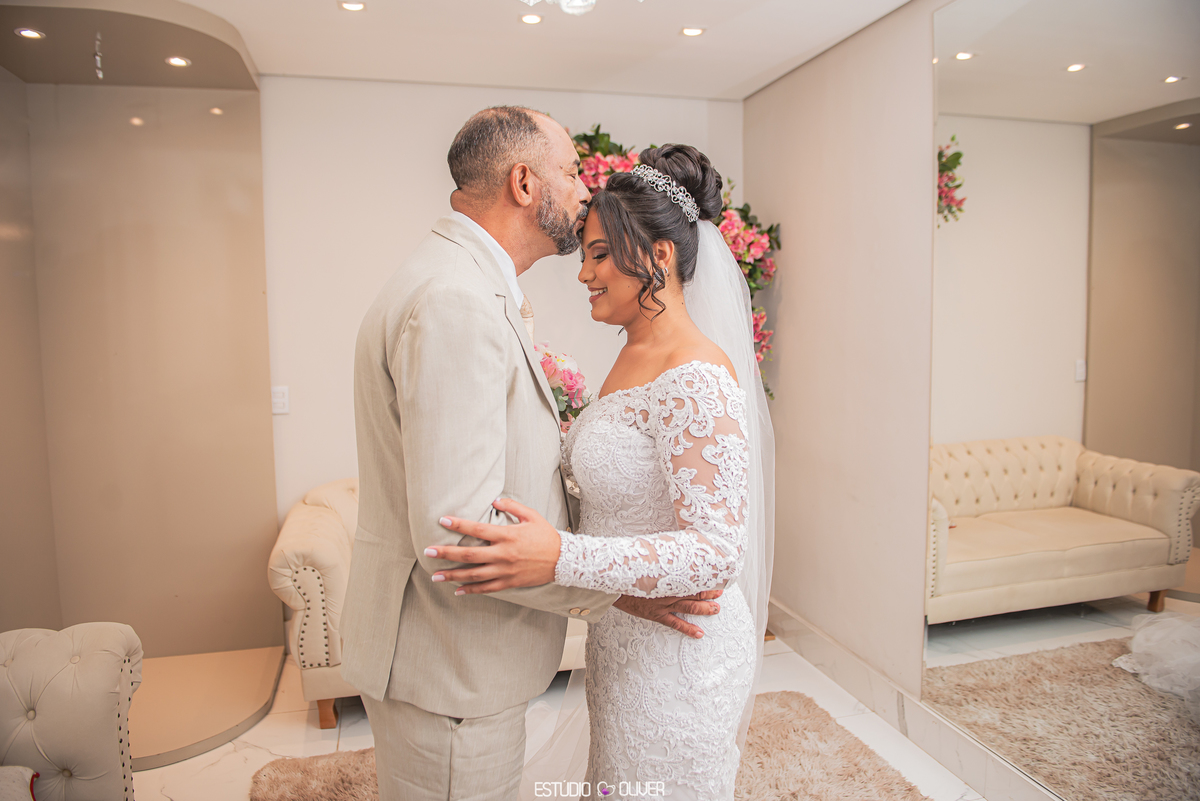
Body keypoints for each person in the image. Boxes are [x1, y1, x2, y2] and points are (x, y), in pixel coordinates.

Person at [339, 108, 724, 801]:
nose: (582, 190)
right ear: (524, 183)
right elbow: (461, 533)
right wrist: (611, 588)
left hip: (461, 662)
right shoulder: (457, 300)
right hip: (452, 668)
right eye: (571, 172)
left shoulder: (460, 283)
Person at [430, 143, 775, 800]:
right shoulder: (633, 355)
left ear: (659, 256)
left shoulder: (696, 376)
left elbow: (717, 550)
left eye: (598, 254)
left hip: (681, 654)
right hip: (625, 634)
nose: (584, 274)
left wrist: (561, 556)